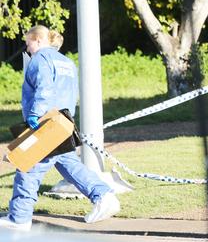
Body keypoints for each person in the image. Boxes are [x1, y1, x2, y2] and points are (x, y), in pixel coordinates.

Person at [0, 25, 120, 231]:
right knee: (68, 164)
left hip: (44, 123)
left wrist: (34, 115)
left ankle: (19, 218)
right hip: (63, 121)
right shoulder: (66, 62)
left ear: (37, 40)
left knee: (28, 166)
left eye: (28, 42)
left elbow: (44, 90)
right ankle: (104, 196)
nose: (26, 47)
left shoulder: (40, 60)